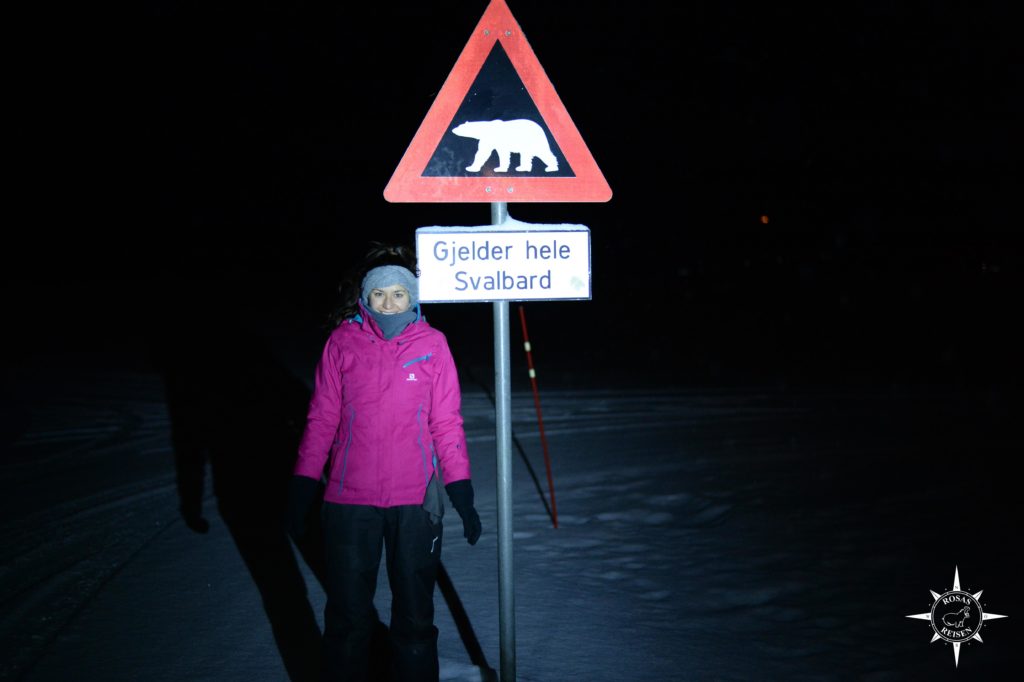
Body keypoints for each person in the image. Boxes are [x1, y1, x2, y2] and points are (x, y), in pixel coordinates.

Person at [286, 243, 482, 682]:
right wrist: (302, 485)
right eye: (379, 294)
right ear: (365, 299)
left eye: (398, 293)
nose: (389, 303)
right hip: (348, 503)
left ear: (413, 297)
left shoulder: (433, 345)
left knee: (414, 619)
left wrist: (461, 490)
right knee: (348, 618)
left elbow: (446, 423)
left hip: (416, 504)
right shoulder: (342, 343)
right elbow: (321, 419)